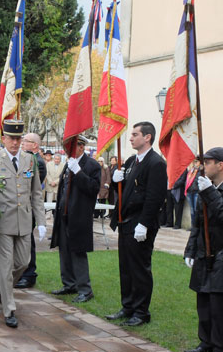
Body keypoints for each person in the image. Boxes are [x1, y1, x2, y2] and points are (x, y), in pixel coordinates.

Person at [183, 148, 223, 352]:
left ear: (221, 165)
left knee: (218, 302)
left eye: (208, 162)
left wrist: (210, 192)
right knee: (203, 300)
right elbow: (198, 222)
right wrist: (190, 250)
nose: (203, 166)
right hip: (203, 250)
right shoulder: (205, 187)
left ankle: (222, 348)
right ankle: (206, 342)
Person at [0, 120, 46, 328]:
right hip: (3, 219)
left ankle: (2, 285)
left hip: (24, 220)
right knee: (5, 264)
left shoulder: (30, 160)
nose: (15, 142)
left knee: (23, 262)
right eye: (11, 138)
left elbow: (36, 192)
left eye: (18, 138)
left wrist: (41, 221)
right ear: (3, 139)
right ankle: (9, 308)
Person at [106, 121, 167, 326]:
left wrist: (145, 224)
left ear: (147, 137)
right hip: (125, 221)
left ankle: (141, 312)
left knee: (139, 268)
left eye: (135, 134)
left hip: (140, 223)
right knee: (126, 267)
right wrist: (116, 180)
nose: (130, 138)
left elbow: (154, 197)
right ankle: (128, 306)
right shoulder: (132, 160)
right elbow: (124, 189)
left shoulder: (156, 163)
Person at [50, 136, 101, 303]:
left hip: (79, 215)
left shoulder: (91, 165)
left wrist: (78, 172)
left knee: (78, 251)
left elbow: (93, 188)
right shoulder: (69, 163)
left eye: (71, 146)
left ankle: (85, 289)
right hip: (64, 214)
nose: (67, 149)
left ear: (81, 146)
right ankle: (69, 283)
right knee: (64, 250)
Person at [14, 132, 47, 289]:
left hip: (28, 208)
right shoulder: (26, 159)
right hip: (19, 208)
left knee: (28, 243)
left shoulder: (37, 162)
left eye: (26, 141)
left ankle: (29, 275)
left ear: (35, 145)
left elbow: (30, 184)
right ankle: (20, 272)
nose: (21, 143)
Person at [185, 160, 201, 229]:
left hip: (196, 192)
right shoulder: (191, 170)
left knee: (196, 210)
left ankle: (197, 226)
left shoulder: (200, 171)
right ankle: (193, 225)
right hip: (189, 192)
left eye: (197, 161)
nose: (195, 163)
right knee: (192, 210)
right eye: (194, 162)